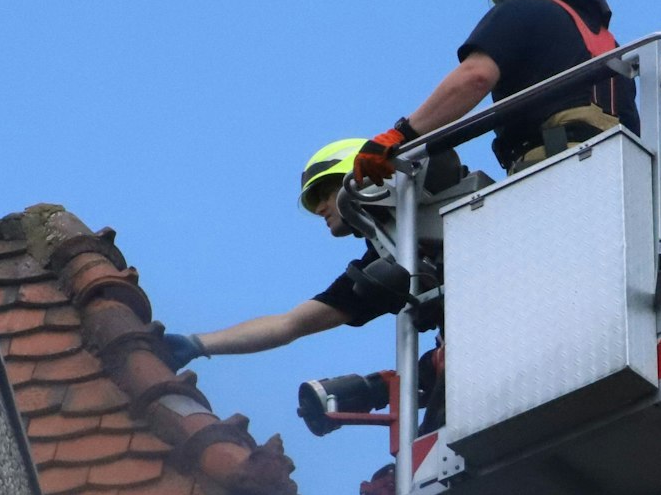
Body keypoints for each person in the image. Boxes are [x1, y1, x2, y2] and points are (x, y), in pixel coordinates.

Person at [351, 0, 639, 182]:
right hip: (620, 175)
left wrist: (402, 135)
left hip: (555, 168)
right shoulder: (613, 51)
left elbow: (474, 77)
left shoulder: (523, 11)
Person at [160, 139, 454, 367]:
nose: (319, 209)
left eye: (323, 194)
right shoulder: (382, 266)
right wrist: (197, 344)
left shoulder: (459, 215)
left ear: (363, 179)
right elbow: (290, 324)